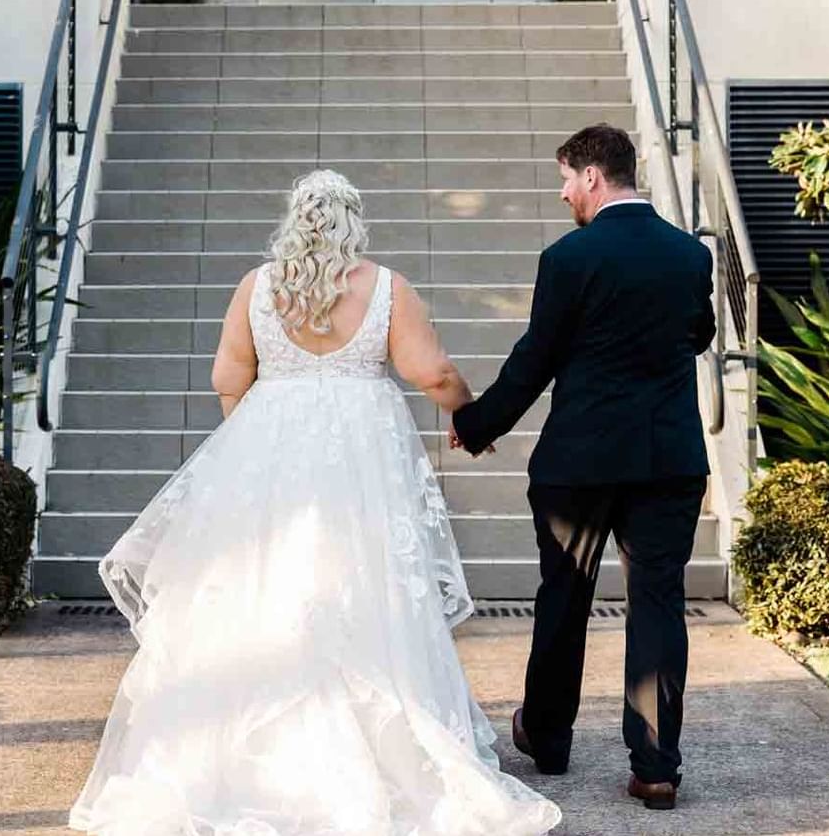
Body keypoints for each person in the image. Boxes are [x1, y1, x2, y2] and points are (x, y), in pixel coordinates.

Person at [69, 168, 561, 835]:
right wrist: (468, 414)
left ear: (295, 217)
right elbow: (433, 371)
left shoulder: (256, 287)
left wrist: (258, 434)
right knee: (362, 592)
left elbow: (225, 376)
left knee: (264, 591)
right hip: (362, 460)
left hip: (272, 450)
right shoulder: (385, 288)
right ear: (354, 221)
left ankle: (247, 761)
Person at [450, 123, 715, 812]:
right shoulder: (689, 255)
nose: (564, 191)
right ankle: (656, 766)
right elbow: (699, 333)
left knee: (565, 594)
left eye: (567, 177)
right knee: (657, 601)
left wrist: (477, 424)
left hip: (582, 459)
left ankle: (547, 734)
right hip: (667, 458)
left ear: (595, 177)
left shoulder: (570, 257)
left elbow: (536, 358)